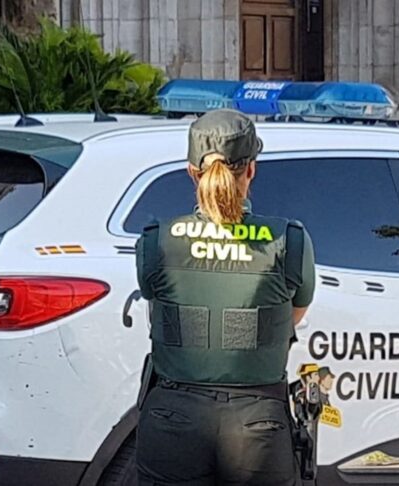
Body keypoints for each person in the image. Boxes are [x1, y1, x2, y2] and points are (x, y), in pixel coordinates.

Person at [135, 109, 315, 485]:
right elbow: (293, 315)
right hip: (258, 424)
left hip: (172, 419)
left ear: (191, 172)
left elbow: (158, 307)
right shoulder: (288, 240)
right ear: (251, 170)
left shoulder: (158, 240)